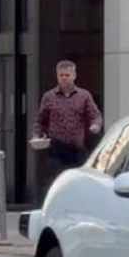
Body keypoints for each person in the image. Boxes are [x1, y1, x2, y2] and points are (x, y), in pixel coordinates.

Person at [33, 61, 103, 189]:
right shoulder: (49, 97)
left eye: (67, 75)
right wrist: (37, 135)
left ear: (74, 76)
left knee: (78, 185)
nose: (64, 78)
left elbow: (95, 115)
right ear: (57, 76)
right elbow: (40, 121)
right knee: (56, 184)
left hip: (77, 150)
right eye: (61, 75)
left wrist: (95, 126)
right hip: (56, 149)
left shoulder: (84, 96)